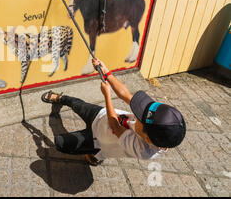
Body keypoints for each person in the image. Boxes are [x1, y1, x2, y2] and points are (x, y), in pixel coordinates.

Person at [41, 58, 186, 166]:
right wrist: (107, 72)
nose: (137, 113)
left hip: (99, 139)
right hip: (103, 115)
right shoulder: (153, 122)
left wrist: (107, 95)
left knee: (60, 143)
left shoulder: (143, 150)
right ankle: (62, 98)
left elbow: (115, 126)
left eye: (140, 118)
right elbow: (126, 95)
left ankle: (94, 155)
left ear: (147, 139)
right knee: (78, 104)